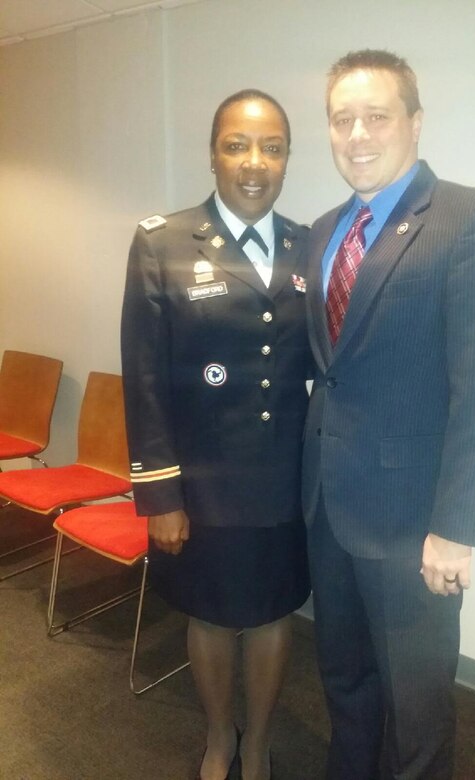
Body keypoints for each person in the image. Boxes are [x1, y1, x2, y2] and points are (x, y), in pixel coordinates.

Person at [302, 49, 475, 780]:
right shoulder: (321, 230)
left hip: (413, 524)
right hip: (327, 508)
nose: (358, 134)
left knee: (416, 705)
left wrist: (457, 528)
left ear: (415, 122)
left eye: (376, 116)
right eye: (343, 119)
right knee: (343, 682)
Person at [121, 89, 311, 780]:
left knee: (269, 614)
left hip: (283, 481)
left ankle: (256, 743)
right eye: (237, 145)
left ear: (287, 157)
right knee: (207, 615)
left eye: (271, 146)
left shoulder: (307, 245)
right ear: (213, 154)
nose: (254, 162)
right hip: (199, 486)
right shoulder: (163, 241)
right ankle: (216, 738)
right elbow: (142, 377)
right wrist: (159, 492)